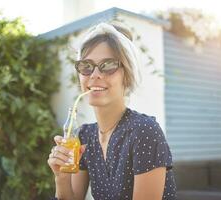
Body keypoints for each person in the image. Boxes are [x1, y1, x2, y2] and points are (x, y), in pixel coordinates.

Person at [47, 22, 177, 200]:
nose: (94, 75)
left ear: (127, 74)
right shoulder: (84, 136)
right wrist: (61, 177)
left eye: (108, 65)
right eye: (86, 66)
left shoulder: (144, 131)